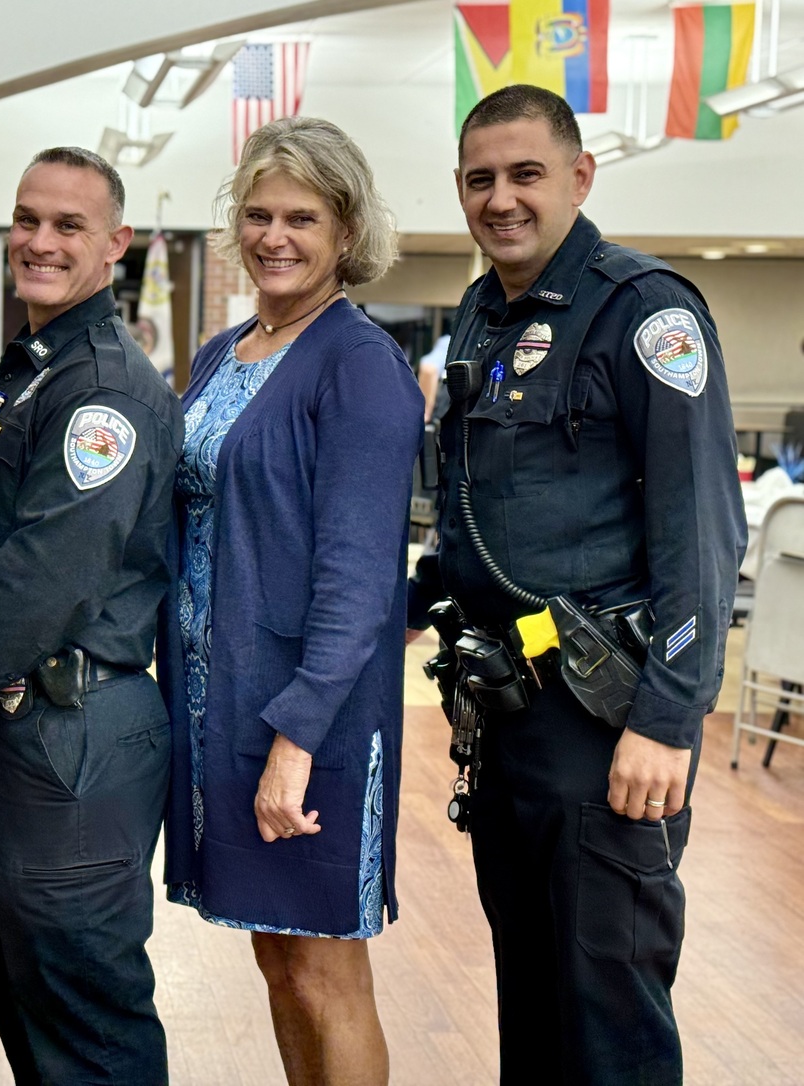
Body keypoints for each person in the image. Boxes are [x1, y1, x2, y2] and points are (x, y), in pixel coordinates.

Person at [409, 85, 747, 1083]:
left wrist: (669, 721)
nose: (502, 198)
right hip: (506, 720)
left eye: (526, 175)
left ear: (580, 177)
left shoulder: (645, 313)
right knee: (534, 1000)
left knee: (610, 1016)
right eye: (481, 179)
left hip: (605, 722)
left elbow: (702, 531)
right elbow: (467, 529)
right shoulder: (480, 316)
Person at [0, 147, 183, 1085]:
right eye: (28, 220)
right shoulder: (24, 369)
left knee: (87, 1018)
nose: (40, 241)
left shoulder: (101, 387)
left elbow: (44, 576)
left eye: (69, 226)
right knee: (24, 992)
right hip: (14, 724)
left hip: (76, 737)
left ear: (117, 245)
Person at [159, 117, 423, 1086]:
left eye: (302, 218)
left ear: (345, 232)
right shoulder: (224, 352)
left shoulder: (358, 366)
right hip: (218, 702)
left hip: (309, 718)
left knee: (324, 967)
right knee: (276, 958)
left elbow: (358, 585)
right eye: (260, 214)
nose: (276, 235)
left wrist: (297, 738)